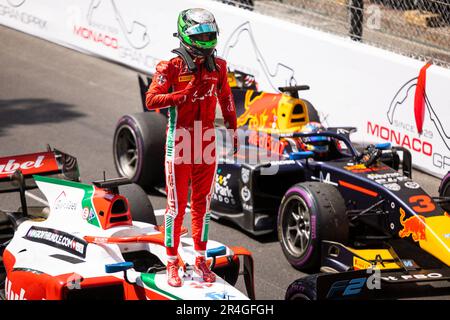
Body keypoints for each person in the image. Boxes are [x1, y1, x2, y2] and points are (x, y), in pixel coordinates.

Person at [145, 8, 238, 287]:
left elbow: (228, 100)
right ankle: (172, 262)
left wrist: (233, 129)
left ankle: (200, 260)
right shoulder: (169, 67)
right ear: (186, 34)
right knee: (175, 208)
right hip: (180, 140)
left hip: (206, 139)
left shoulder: (219, 66)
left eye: (210, 34)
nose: (207, 39)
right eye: (202, 34)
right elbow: (151, 100)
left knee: (203, 206)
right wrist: (178, 96)